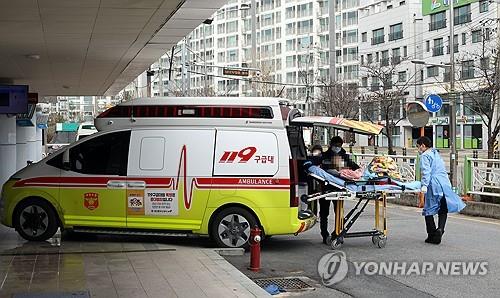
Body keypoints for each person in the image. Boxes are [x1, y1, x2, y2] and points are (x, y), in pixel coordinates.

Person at [417, 136, 466, 244]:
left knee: (428, 209)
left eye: (418, 146)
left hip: (433, 184)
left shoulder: (425, 156)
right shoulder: (436, 153)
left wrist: (424, 186)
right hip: (444, 183)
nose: (418, 149)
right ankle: (440, 229)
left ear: (423, 145)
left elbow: (426, 172)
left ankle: (431, 234)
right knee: (443, 209)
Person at [318, 136, 360, 244]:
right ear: (331, 145)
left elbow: (354, 166)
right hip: (326, 188)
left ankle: (337, 233)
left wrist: (358, 171)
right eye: (336, 145)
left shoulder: (344, 156)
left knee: (339, 212)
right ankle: (325, 235)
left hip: (339, 188)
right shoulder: (324, 156)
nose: (337, 148)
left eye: (339, 146)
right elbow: (323, 168)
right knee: (324, 213)